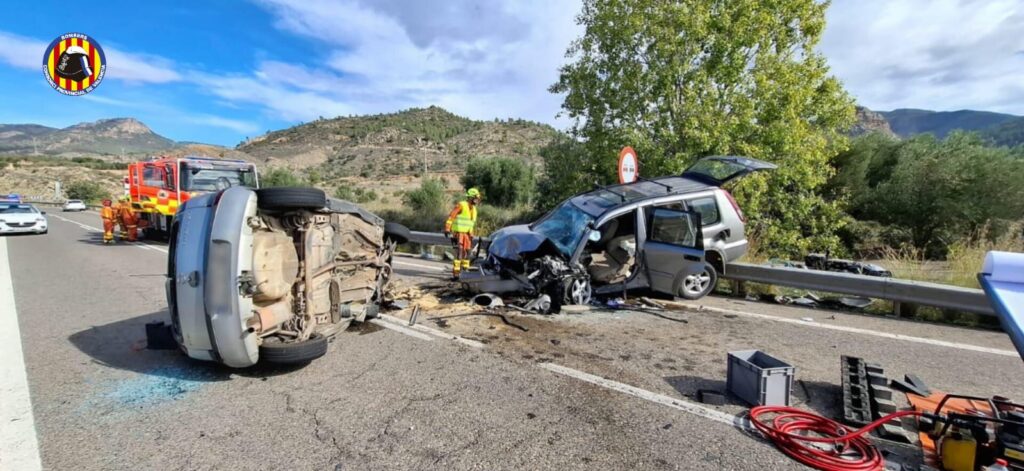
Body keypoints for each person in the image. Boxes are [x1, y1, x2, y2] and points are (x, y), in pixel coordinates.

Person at [444, 188, 481, 279]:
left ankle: (465, 272)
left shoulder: (474, 209)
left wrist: (471, 234)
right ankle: (456, 274)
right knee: (460, 254)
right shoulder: (461, 205)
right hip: (458, 233)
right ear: (471, 197)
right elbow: (451, 216)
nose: (477, 200)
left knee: (468, 253)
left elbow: (471, 223)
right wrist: (447, 228)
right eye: (476, 198)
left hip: (467, 235)